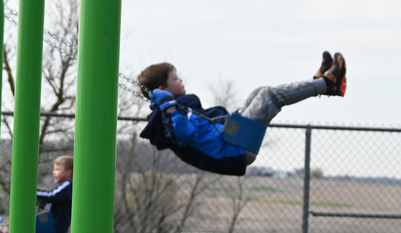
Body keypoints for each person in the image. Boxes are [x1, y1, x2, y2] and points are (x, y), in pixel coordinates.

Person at [139, 52, 347, 176]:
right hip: (233, 149)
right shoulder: (169, 116)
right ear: (162, 89)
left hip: (229, 136)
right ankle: (329, 84)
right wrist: (169, 107)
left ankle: (319, 82)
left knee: (258, 92)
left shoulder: (173, 109)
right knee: (268, 96)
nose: (181, 80)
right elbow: (185, 135)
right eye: (175, 78)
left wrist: (171, 106)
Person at [36, 155, 73, 233]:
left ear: (69, 173)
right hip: (51, 222)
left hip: (55, 225)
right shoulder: (64, 186)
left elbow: (51, 196)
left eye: (57, 169)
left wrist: (32, 191)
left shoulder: (68, 185)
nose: (54, 172)